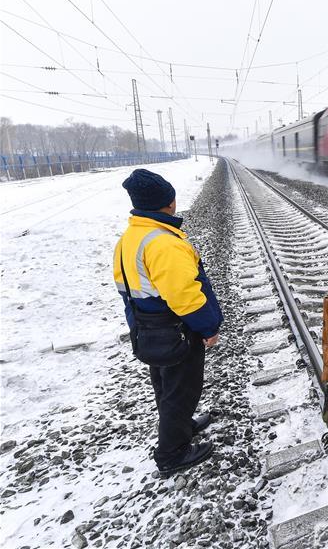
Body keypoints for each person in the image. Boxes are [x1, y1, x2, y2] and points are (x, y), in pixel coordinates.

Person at [113, 169, 224, 476]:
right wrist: (208, 327)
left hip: (149, 327)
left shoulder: (131, 237)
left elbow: (127, 289)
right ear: (169, 202)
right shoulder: (163, 242)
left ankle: (180, 426)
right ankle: (171, 453)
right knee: (182, 389)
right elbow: (185, 296)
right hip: (176, 329)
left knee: (165, 384)